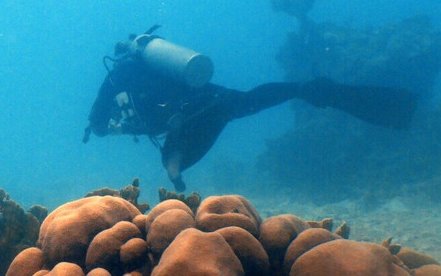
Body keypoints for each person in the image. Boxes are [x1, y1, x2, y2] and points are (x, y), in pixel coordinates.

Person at [83, 28, 417, 191]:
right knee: (253, 99)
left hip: (187, 122)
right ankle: (309, 89)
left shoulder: (116, 77)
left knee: (171, 152)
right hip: (215, 100)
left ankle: (174, 170)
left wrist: (104, 126)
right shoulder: (158, 65)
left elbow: (97, 121)